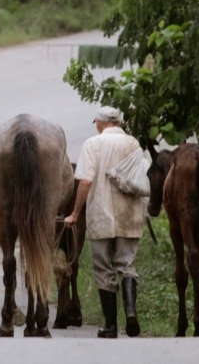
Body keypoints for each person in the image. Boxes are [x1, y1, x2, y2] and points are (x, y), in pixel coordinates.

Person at [64, 106, 146, 338]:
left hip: (101, 214)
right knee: (126, 265)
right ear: (118, 123)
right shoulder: (133, 144)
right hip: (129, 214)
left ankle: (111, 326)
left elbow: (85, 182)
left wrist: (75, 214)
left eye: (96, 123)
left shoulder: (93, 144)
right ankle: (131, 312)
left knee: (103, 268)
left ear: (100, 123)